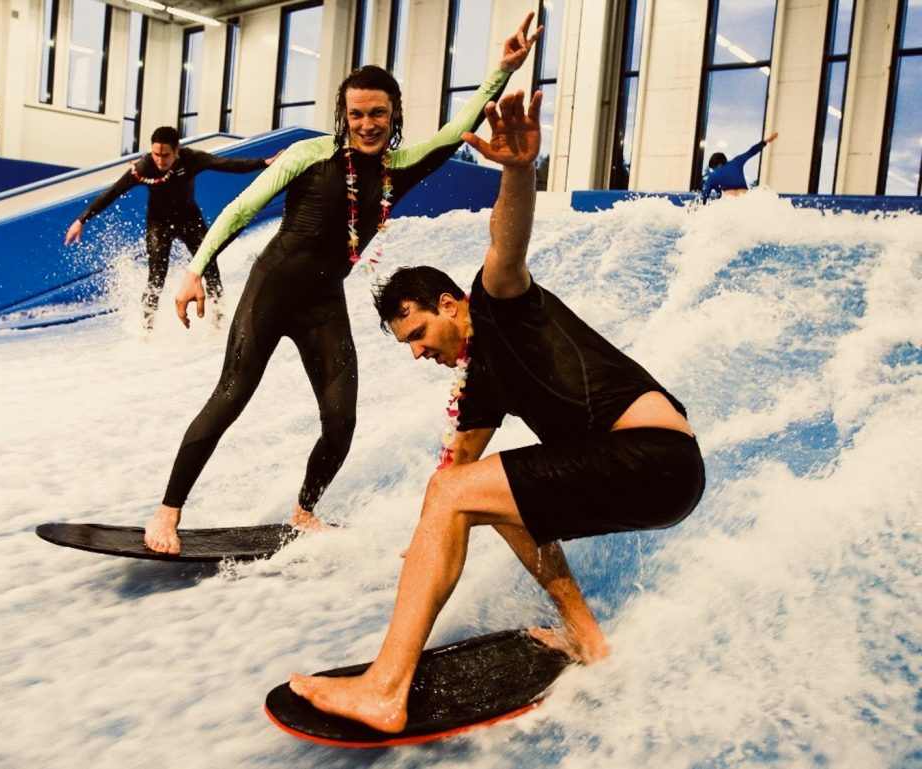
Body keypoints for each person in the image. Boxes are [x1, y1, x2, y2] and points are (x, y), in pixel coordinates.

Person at [287, 90, 706, 734]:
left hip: (656, 457)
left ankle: (385, 689)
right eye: (407, 346)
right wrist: (425, 541)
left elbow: (506, 244)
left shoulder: (497, 304)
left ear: (449, 304)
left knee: (463, 494)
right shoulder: (480, 383)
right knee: (487, 495)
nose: (418, 352)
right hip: (656, 474)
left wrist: (518, 170)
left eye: (419, 334)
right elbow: (454, 475)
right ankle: (588, 637)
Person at [143, 14, 544, 553]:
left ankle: (304, 511)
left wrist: (503, 69)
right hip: (272, 291)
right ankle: (167, 512)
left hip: (324, 304)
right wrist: (194, 271)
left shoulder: (401, 168)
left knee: (340, 420)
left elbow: (457, 130)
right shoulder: (311, 155)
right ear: (343, 115)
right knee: (231, 396)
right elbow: (241, 209)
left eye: (378, 113)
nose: (367, 124)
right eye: (356, 114)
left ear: (394, 113)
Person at [65, 126, 276, 329]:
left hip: (189, 220)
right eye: (155, 154)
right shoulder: (144, 167)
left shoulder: (191, 159)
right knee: (156, 277)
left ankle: (218, 322)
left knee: (210, 267)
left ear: (177, 150)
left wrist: (263, 162)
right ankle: (146, 330)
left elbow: (227, 164)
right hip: (159, 224)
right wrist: (81, 220)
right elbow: (113, 192)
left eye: (165, 155)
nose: (159, 160)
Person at [700, 132, 779, 201]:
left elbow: (704, 196)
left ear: (716, 165)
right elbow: (751, 151)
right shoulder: (736, 162)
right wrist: (766, 141)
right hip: (744, 198)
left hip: (728, 201)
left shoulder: (713, 175)